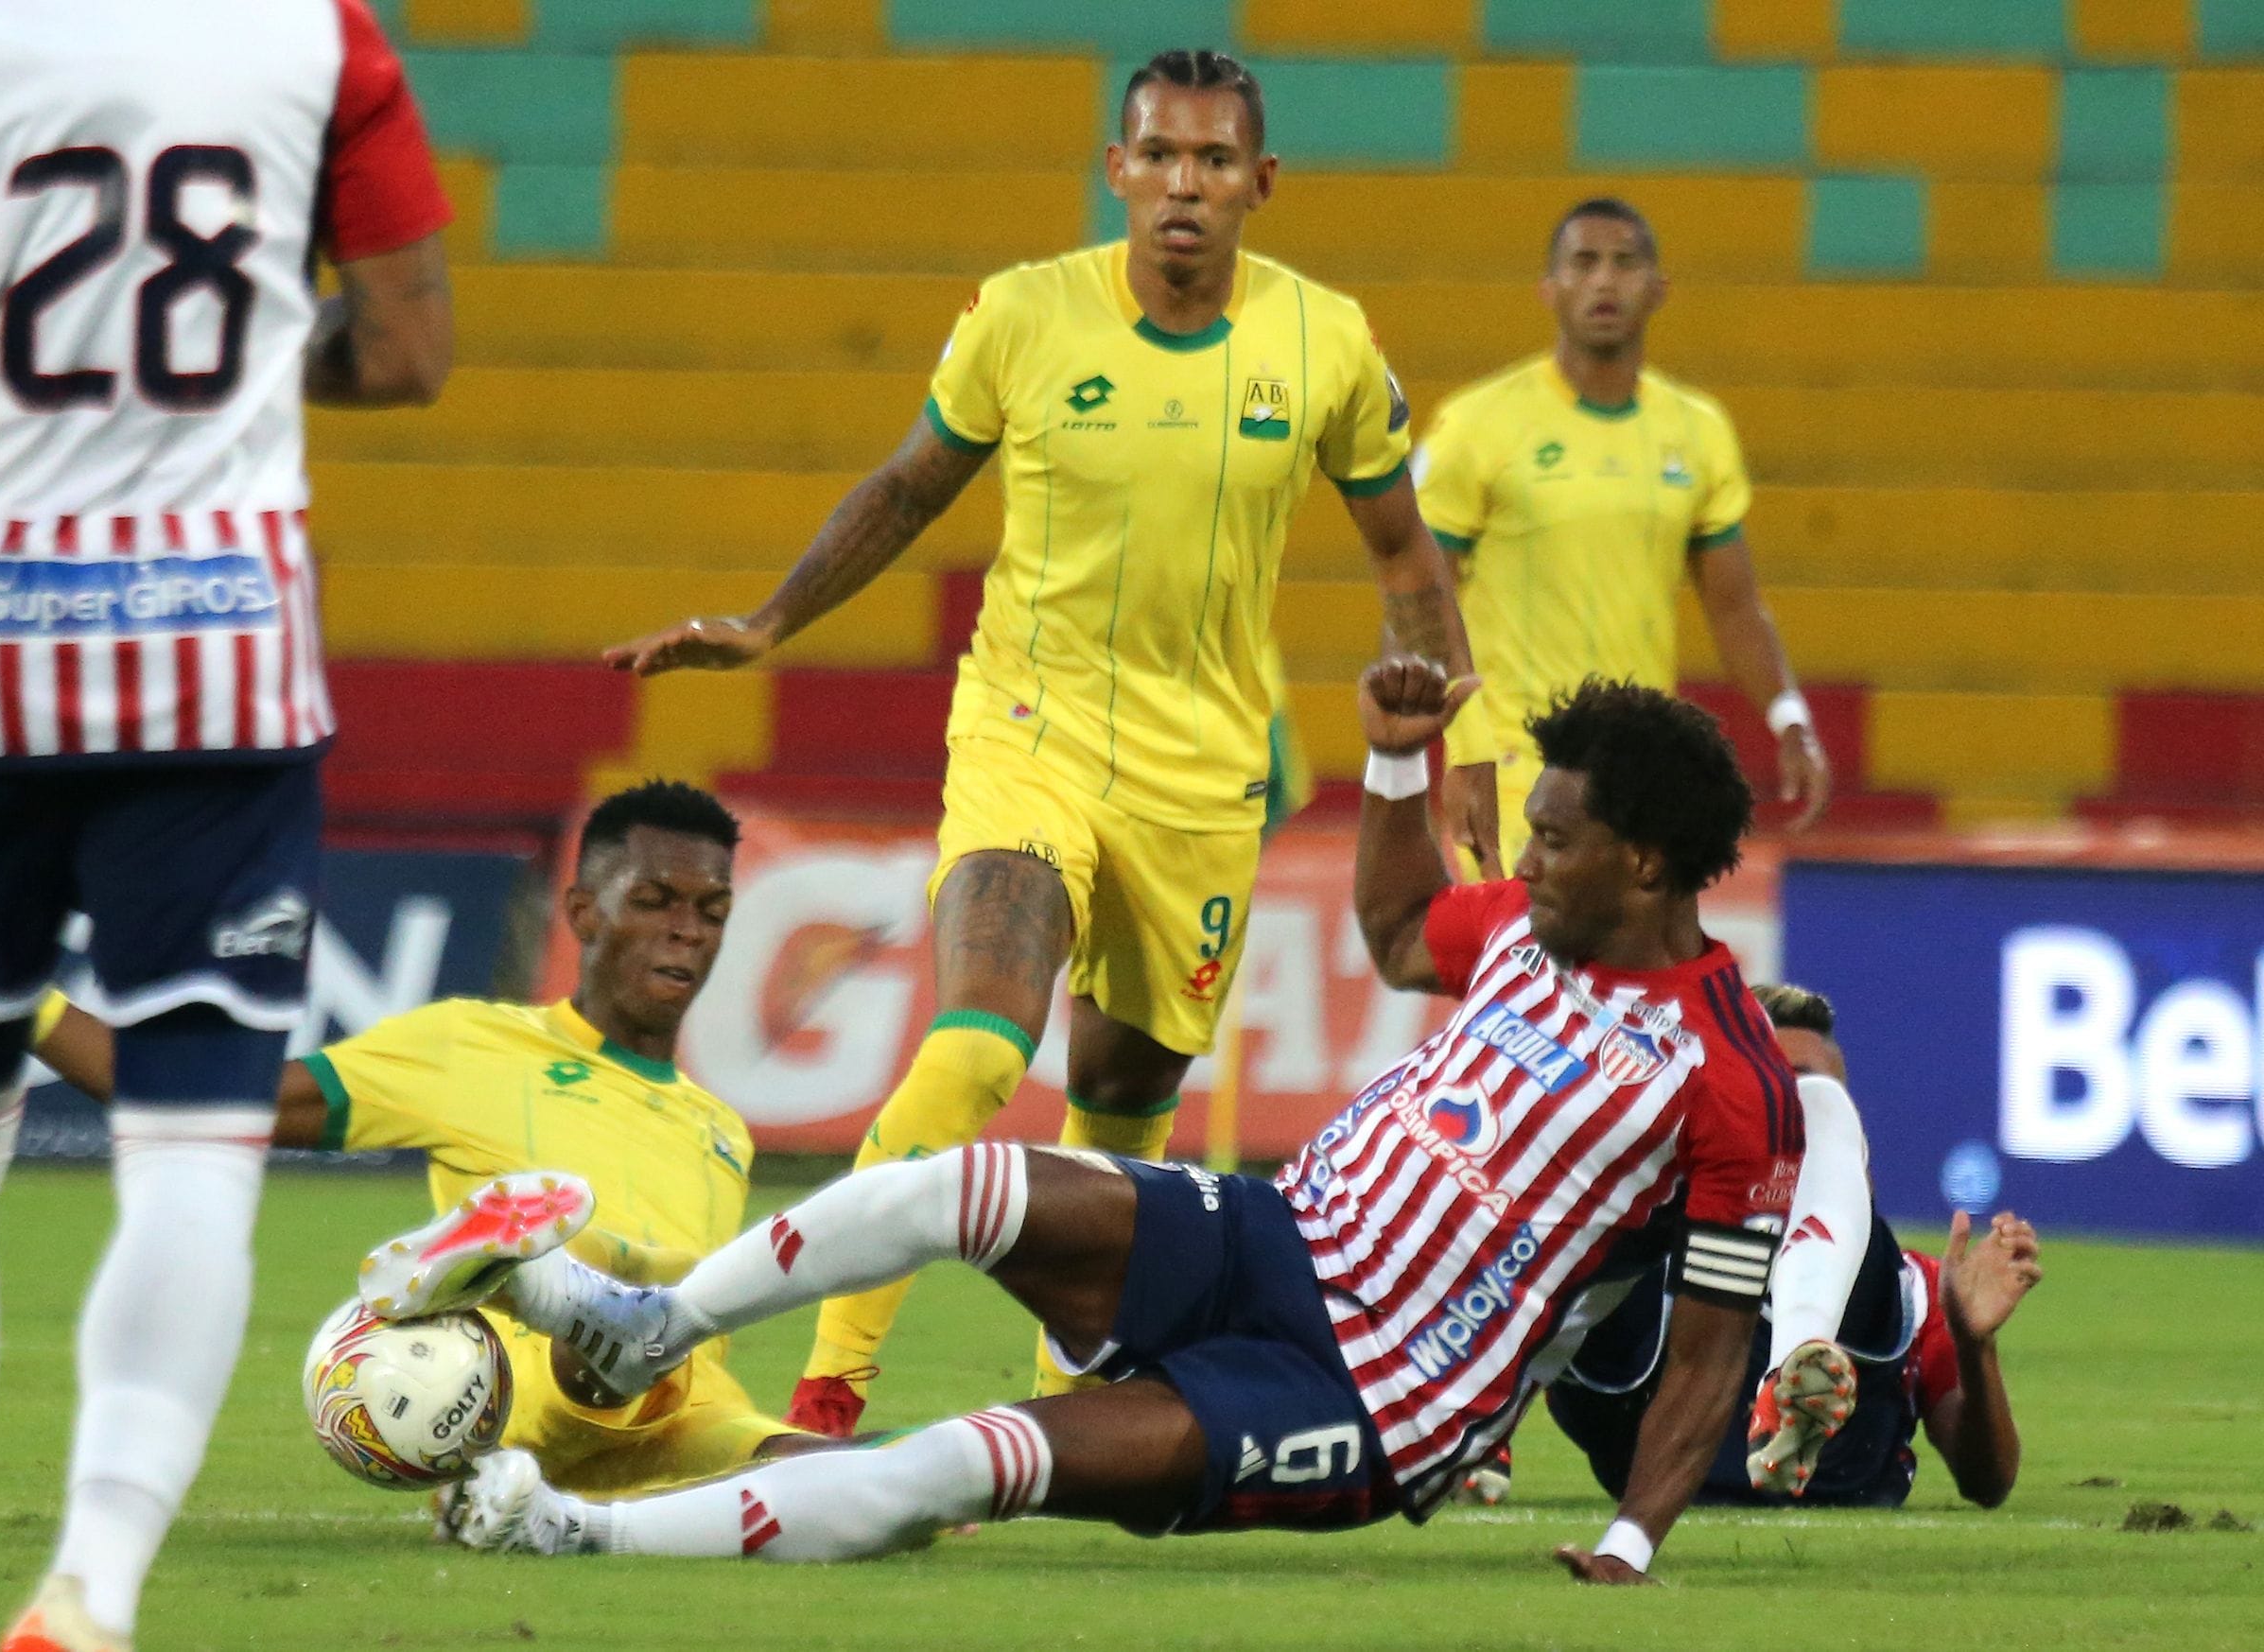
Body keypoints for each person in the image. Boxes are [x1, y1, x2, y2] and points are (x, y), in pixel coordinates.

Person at [354, 670, 1802, 1586]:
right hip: (1277, 1232)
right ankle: (643, 1323)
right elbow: (1397, 926)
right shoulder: (1527, 930)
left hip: (1373, 1390)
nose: (1526, 858)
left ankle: (570, 1527)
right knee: (957, 1182)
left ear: (1647, 861)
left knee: (972, 1459)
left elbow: (1710, 1337)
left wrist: (1633, 1534)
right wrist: (1393, 764)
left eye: (1555, 838)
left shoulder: (1730, 1078)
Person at [600, 49, 1497, 1436]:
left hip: (1203, 774)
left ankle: (1061, 1409)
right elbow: (908, 488)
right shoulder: (1023, 316)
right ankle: (826, 1398)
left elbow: (1404, 556)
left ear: (1261, 183)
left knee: (1123, 1103)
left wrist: (1463, 751)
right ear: (1117, 169)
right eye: (1160, 155)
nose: (1184, 184)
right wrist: (771, 620)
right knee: (975, 1048)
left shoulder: (1326, 343)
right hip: (1030, 726)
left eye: (1213, 161)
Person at [0, 3, 450, 1646]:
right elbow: (403, 349)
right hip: (214, 654)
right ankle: (93, 1584)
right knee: (192, 1152)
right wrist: (261, 352)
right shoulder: (323, 41)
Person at [27, 782, 813, 1500]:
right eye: (654, 901)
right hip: (539, 1395)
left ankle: (566, 1364)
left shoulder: (723, 1130)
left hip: (687, 1417)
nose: (686, 931)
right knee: (617, 1331)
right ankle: (556, 1299)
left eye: (712, 911)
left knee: (864, 1474)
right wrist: (21, 995)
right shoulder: (469, 1045)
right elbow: (204, 1099)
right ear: (581, 913)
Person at [1414, 196, 1830, 868]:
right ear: (1549, 288)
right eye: (1584, 263)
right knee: (1525, 941)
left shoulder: (1698, 432)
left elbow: (1734, 606)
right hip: (1517, 772)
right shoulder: (1476, 425)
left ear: (1659, 289)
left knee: (1633, 942)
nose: (1604, 280)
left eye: (1624, 263)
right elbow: (1419, 594)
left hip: (1641, 778)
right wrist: (1437, 752)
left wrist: (1789, 717)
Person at [1544, 984, 2042, 1509]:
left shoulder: (1911, 1290)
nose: (1793, 1112)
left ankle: (1796, 1371)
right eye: (1771, 1092)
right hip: (1664, 1296)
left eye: (1809, 1094)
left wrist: (1974, 1347)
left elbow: (1987, 1481)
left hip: (1839, 1482)